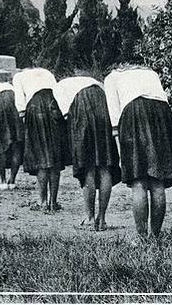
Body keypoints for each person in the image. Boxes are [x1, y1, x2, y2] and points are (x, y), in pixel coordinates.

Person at [104, 65, 172, 240]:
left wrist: (122, 153)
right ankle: (155, 237)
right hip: (162, 114)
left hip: (134, 114)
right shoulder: (150, 73)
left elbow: (114, 117)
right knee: (157, 180)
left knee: (138, 181)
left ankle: (142, 239)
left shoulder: (112, 77)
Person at [53, 73, 121, 230]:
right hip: (102, 103)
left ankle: (89, 218)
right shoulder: (93, 82)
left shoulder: (58, 88)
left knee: (87, 165)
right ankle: (102, 219)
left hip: (81, 106)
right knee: (104, 165)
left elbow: (64, 117)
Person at [13, 68, 69, 212]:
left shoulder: (19, 76)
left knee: (41, 158)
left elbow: (20, 105)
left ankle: (42, 201)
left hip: (35, 107)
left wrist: (25, 120)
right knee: (54, 157)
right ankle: (53, 202)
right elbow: (57, 90)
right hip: (53, 104)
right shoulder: (47, 72)